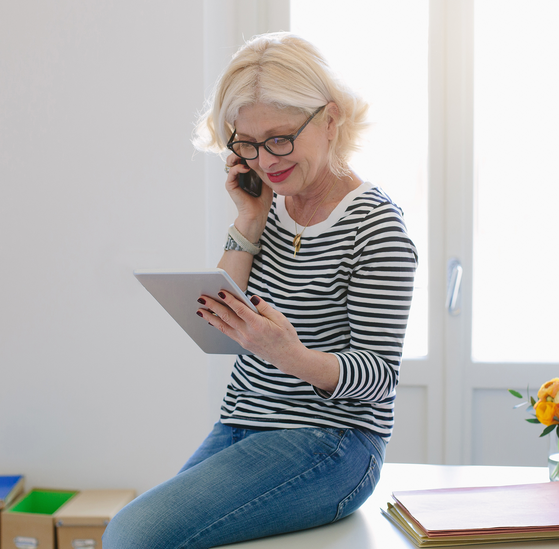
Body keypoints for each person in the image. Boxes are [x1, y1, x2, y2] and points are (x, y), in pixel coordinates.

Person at [103, 32, 418, 548]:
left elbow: (381, 377)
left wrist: (292, 356)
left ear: (330, 119)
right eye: (246, 144)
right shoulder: (269, 205)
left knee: (131, 536)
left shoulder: (375, 225)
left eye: (279, 138)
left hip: (334, 443)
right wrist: (248, 218)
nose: (266, 160)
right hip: (241, 423)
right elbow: (225, 315)